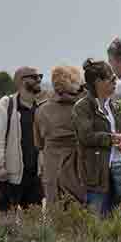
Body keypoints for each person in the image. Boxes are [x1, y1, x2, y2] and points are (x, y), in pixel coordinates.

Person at [71, 59, 121, 216]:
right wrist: (113, 138)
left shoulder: (116, 105)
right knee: (96, 223)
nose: (116, 82)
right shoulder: (82, 107)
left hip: (120, 170)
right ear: (98, 82)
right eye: (112, 79)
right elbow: (86, 136)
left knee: (115, 221)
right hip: (96, 174)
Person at [0, 65, 45, 212]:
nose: (38, 80)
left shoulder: (40, 107)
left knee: (34, 223)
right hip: (10, 177)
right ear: (20, 81)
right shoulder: (6, 104)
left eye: (40, 77)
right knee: (7, 223)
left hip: (34, 177)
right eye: (34, 77)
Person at [33, 65, 84, 208]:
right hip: (78, 170)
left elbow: (38, 143)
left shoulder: (41, 110)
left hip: (52, 171)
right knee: (80, 216)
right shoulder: (83, 108)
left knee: (54, 214)